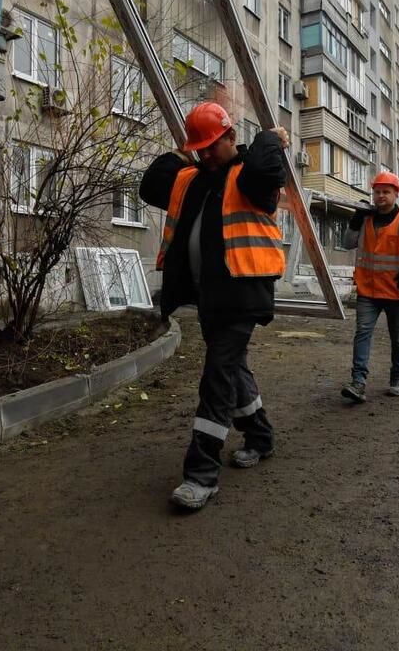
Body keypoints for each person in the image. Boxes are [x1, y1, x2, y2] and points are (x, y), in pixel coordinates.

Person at [139, 101, 289, 511]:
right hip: (210, 297)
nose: (206, 154)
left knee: (217, 376)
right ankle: (260, 437)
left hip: (242, 296)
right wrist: (187, 149)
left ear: (231, 137)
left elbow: (266, 168)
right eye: (200, 148)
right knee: (233, 369)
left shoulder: (251, 177)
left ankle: (200, 475)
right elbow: (150, 185)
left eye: (212, 145)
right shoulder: (193, 179)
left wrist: (269, 138)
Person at [339, 171, 399, 402]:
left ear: (396, 194)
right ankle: (358, 382)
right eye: (377, 192)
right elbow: (347, 243)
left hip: (396, 291)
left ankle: (398, 377)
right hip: (368, 289)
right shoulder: (366, 218)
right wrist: (356, 219)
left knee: (398, 337)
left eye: (386, 192)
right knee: (362, 333)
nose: (380, 196)